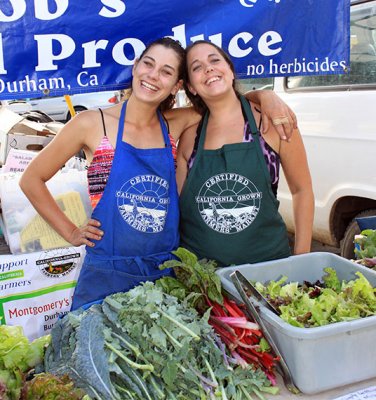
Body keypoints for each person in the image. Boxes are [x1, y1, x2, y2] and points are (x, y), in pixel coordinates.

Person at [19, 38, 297, 310]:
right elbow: (31, 179)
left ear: (177, 86)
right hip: (107, 271)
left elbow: (224, 99)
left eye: (166, 72)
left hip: (165, 271)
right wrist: (70, 232)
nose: (153, 76)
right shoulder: (92, 123)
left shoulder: (175, 124)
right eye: (148, 64)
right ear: (136, 66)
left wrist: (265, 96)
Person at [176, 40, 314, 267]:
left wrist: (301, 259)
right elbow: (178, 209)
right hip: (202, 280)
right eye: (196, 67)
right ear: (191, 87)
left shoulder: (273, 122)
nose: (208, 68)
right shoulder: (190, 136)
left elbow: (302, 190)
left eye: (214, 60)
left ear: (230, 70)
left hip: (267, 274)